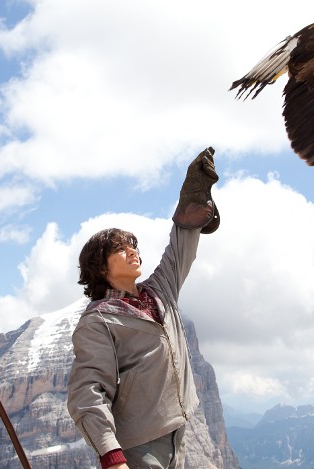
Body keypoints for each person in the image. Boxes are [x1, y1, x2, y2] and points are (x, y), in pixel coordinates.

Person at [67, 147, 220, 469]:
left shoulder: (160, 290)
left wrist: (194, 196)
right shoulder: (97, 321)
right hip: (137, 444)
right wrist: (111, 455)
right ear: (100, 264)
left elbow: (181, 246)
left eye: (133, 246)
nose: (132, 252)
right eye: (120, 249)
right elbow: (88, 389)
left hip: (178, 429)